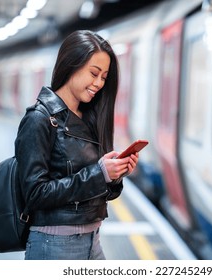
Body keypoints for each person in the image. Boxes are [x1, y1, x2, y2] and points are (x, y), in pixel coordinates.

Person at [14, 30, 139, 260]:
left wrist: (115, 174)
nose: (99, 83)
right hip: (54, 245)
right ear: (71, 65)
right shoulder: (39, 120)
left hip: (93, 242)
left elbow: (96, 193)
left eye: (104, 76)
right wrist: (99, 174)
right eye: (94, 73)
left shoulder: (89, 118)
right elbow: (34, 194)